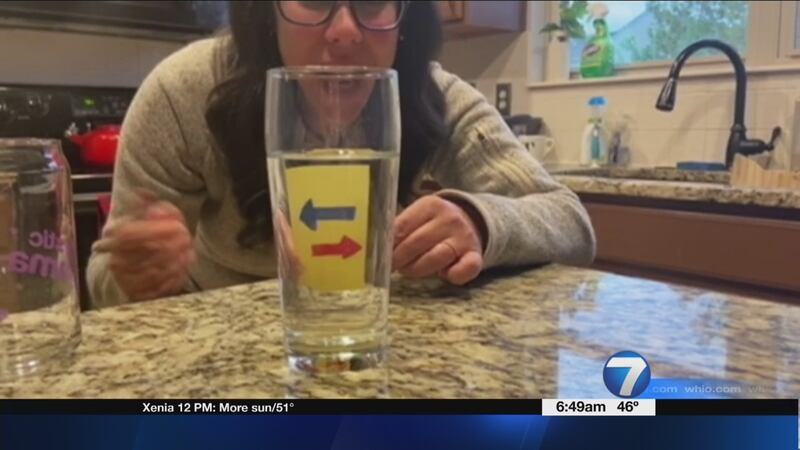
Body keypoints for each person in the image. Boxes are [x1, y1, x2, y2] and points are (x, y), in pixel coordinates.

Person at [87, 1, 596, 307]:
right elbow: (104, 283)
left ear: (403, 18)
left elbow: (571, 223)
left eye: (372, 1)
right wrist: (133, 277)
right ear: (268, 13)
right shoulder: (184, 94)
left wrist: (481, 222)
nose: (345, 30)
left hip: (370, 339)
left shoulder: (432, 97)